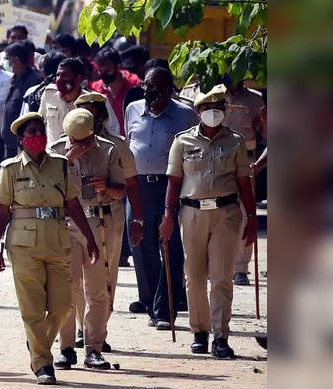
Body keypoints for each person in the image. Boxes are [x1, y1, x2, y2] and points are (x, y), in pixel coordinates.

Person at [0, 112, 100, 384]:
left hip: (57, 241)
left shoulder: (61, 165)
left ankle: (38, 343)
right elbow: (1, 211)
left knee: (62, 306)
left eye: (40, 131)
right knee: (33, 309)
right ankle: (42, 364)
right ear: (21, 139)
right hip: (23, 245)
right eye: (31, 133)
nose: (37, 137)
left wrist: (90, 238)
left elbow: (72, 204)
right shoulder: (10, 169)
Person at [162, 86, 257, 359]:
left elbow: (244, 183)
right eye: (206, 108)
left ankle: (220, 336)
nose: (212, 113)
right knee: (194, 276)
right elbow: (174, 181)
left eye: (218, 108)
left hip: (226, 213)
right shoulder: (182, 142)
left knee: (221, 277)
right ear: (198, 112)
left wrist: (251, 218)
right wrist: (168, 215)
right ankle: (199, 332)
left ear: (225, 112)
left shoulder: (235, 142)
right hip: (191, 213)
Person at [50, 109, 127, 371]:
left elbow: (121, 191)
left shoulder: (108, 149)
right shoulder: (56, 150)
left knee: (96, 289)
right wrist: (67, 160)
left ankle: (94, 348)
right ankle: (66, 347)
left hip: (97, 222)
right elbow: (46, 188)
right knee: (67, 288)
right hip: (67, 224)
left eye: (83, 141)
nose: (79, 145)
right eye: (74, 140)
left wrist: (106, 187)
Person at [124, 67, 195, 328]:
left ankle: (165, 307)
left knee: (171, 244)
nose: (147, 91)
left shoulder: (185, 115)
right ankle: (151, 298)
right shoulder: (132, 109)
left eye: (154, 86)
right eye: (145, 85)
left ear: (168, 90)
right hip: (139, 185)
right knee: (141, 244)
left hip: (171, 185)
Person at [75, 91, 143, 312]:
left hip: (108, 215)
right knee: (75, 276)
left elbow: (131, 184)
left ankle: (99, 324)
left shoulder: (117, 146)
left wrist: (137, 220)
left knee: (105, 271)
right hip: (76, 217)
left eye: (92, 115)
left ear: (102, 115)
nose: (89, 121)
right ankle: (80, 327)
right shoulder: (62, 147)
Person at [222, 77, 266, 285]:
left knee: (244, 213)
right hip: (217, 162)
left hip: (246, 161)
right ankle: (221, 266)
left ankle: (241, 269)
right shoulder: (213, 96)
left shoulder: (255, 100)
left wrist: (257, 163)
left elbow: (265, 133)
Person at [33, 57, 121, 141]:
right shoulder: (49, 94)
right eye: (58, 75)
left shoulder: (94, 101)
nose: (59, 79)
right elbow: (40, 122)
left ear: (78, 78)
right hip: (53, 154)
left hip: (83, 154)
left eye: (65, 75)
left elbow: (112, 129)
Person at [2, 43, 43, 157]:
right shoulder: (14, 79)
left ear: (16, 59)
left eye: (8, 59)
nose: (7, 63)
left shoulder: (34, 80)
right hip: (10, 140)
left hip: (24, 140)